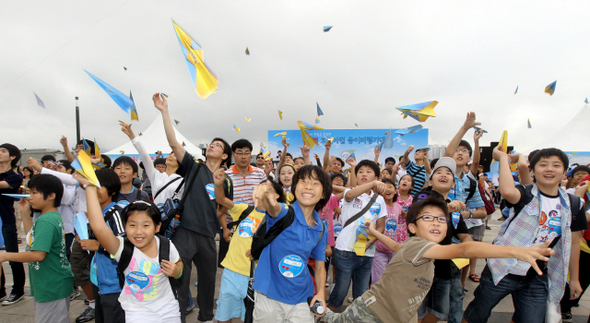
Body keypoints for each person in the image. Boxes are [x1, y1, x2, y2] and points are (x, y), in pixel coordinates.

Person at [319, 196, 555, 323]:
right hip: (368, 315)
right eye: (428, 218)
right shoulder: (419, 246)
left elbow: (395, 246)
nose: (436, 222)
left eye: (441, 219)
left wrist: (375, 232)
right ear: (412, 227)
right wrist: (517, 251)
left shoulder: (413, 247)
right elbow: (463, 250)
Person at [463, 147, 588, 323]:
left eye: (556, 165)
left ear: (564, 171)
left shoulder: (573, 204)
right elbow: (507, 192)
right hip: (504, 269)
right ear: (533, 171)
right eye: (543, 164)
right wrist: (503, 159)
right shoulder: (526, 194)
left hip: (537, 275)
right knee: (477, 314)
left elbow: (574, 243)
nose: (550, 169)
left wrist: (574, 279)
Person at [153, 92, 232, 322]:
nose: (212, 146)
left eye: (217, 145)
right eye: (211, 144)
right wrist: (164, 111)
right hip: (184, 232)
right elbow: (173, 143)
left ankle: (206, 317)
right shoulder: (193, 167)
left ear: (224, 155)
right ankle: (175, 317)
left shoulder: (225, 180)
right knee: (179, 280)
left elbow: (225, 207)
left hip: (208, 235)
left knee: (208, 282)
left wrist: (220, 224)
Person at [76, 172, 183, 322]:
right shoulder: (122, 247)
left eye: (146, 225)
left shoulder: (166, 245)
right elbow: (98, 226)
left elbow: (179, 264)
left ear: (157, 227)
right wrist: (89, 188)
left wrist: (177, 271)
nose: (139, 232)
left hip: (168, 309)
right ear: (125, 227)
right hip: (136, 312)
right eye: (132, 225)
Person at [252, 165, 330, 322]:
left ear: (323, 194)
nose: (308, 186)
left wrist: (320, 293)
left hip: (302, 297)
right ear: (294, 188)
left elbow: (320, 266)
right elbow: (273, 207)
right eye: (303, 181)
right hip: (269, 296)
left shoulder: (321, 228)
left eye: (315, 183)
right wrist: (266, 195)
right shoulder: (284, 213)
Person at [213, 170, 285, 323]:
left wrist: (259, 251)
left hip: (258, 277)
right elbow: (221, 199)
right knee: (224, 315)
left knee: (252, 317)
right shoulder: (244, 210)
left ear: (276, 196)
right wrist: (218, 184)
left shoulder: (279, 220)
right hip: (232, 271)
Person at [0, 174, 74, 322]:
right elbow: (33, 239)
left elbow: (37, 254)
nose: (29, 196)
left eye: (34, 192)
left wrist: (6, 256)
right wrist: (25, 214)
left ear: (51, 195)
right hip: (51, 282)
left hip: (51, 284)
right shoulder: (50, 217)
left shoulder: (46, 221)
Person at [327, 160, 387, 312]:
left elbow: (381, 227)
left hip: (367, 252)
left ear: (376, 175)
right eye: (360, 171)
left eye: (368, 171)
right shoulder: (350, 192)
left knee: (361, 296)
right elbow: (351, 194)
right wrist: (374, 184)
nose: (364, 174)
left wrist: (370, 242)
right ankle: (326, 319)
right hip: (345, 250)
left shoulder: (380, 200)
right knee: (340, 292)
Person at [0, 143, 25, 305]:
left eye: (3, 151)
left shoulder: (14, 176)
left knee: (13, 256)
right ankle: (1, 291)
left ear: (12, 157)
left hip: (6, 221)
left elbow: (4, 185)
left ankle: (18, 290)